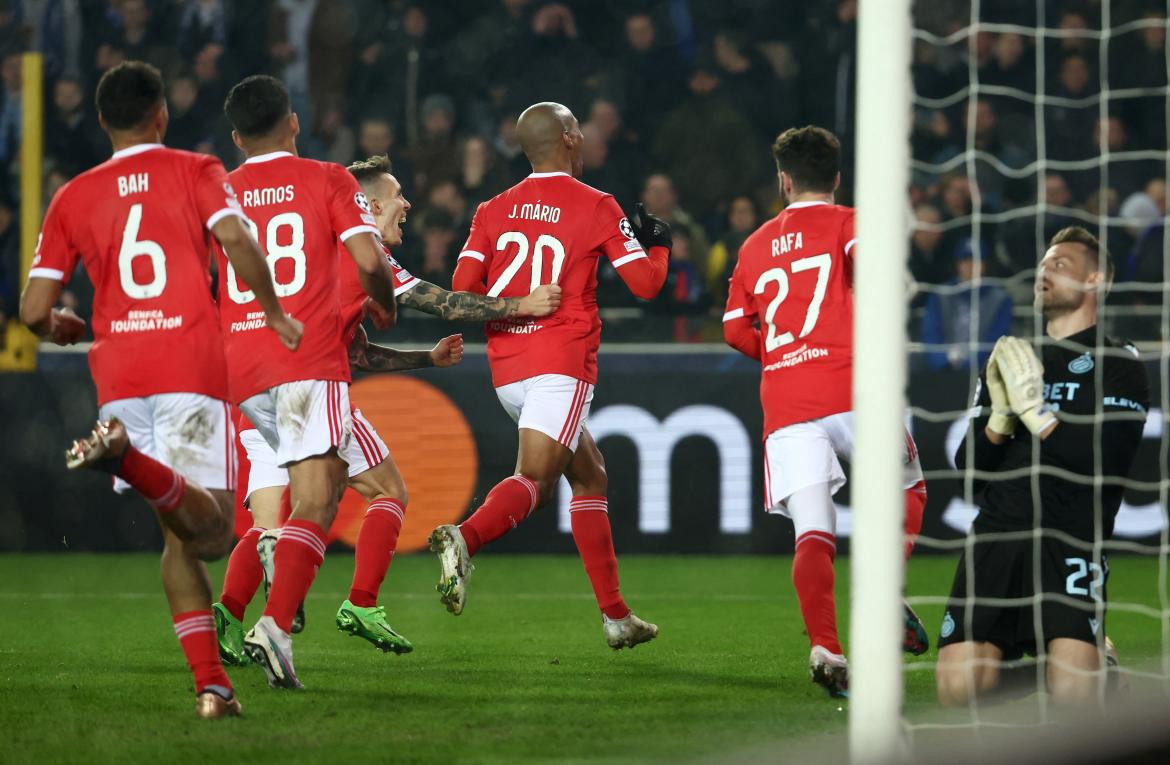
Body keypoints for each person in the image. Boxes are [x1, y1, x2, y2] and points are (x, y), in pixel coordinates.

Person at [19, 61, 299, 719]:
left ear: (101, 122)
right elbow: (236, 237)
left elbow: (33, 310)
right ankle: (127, 459)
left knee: (175, 537)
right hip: (189, 370)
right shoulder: (195, 170)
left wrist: (59, 326)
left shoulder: (73, 195)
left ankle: (213, 688)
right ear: (161, 115)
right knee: (208, 536)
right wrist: (275, 309)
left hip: (121, 379)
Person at [213, 154, 560, 661]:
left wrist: (426, 358)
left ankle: (226, 613)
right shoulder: (362, 248)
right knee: (388, 492)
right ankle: (359, 604)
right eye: (398, 196)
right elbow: (440, 301)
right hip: (310, 386)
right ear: (370, 203)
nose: (407, 204)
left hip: (255, 390)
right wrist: (519, 305)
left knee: (272, 527)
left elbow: (358, 351)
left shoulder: (316, 252)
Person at [431, 101, 671, 649]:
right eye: (578, 130)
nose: (583, 137)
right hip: (559, 364)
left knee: (590, 476)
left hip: (506, 371)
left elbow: (461, 294)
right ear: (566, 137)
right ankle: (463, 539)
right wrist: (658, 242)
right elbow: (647, 285)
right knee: (535, 481)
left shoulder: (492, 209)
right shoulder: (597, 205)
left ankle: (616, 616)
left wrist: (515, 304)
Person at [722, 126, 929, 698]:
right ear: (836, 178)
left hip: (786, 400)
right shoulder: (850, 222)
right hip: (853, 388)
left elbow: (734, 328)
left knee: (813, 529)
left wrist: (787, 353)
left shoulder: (754, 244)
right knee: (908, 486)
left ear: (783, 180)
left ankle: (826, 647)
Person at [215, 74, 397, 690]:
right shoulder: (327, 179)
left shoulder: (221, 191)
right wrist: (385, 304)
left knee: (314, 490)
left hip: (242, 371)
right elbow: (370, 262)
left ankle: (271, 575)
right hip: (305, 361)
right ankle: (275, 625)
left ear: (237, 138)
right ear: (294, 122)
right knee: (318, 501)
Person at [936, 226, 1150, 706]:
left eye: (1060, 264)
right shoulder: (1014, 359)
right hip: (998, 534)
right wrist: (1001, 416)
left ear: (1095, 281)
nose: (1043, 272)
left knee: (1076, 696)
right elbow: (970, 472)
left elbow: (1105, 462)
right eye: (1042, 264)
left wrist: (1036, 411)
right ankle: (1053, 673)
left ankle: (1090, 667)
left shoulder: (1119, 361)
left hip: (1070, 535)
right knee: (958, 691)